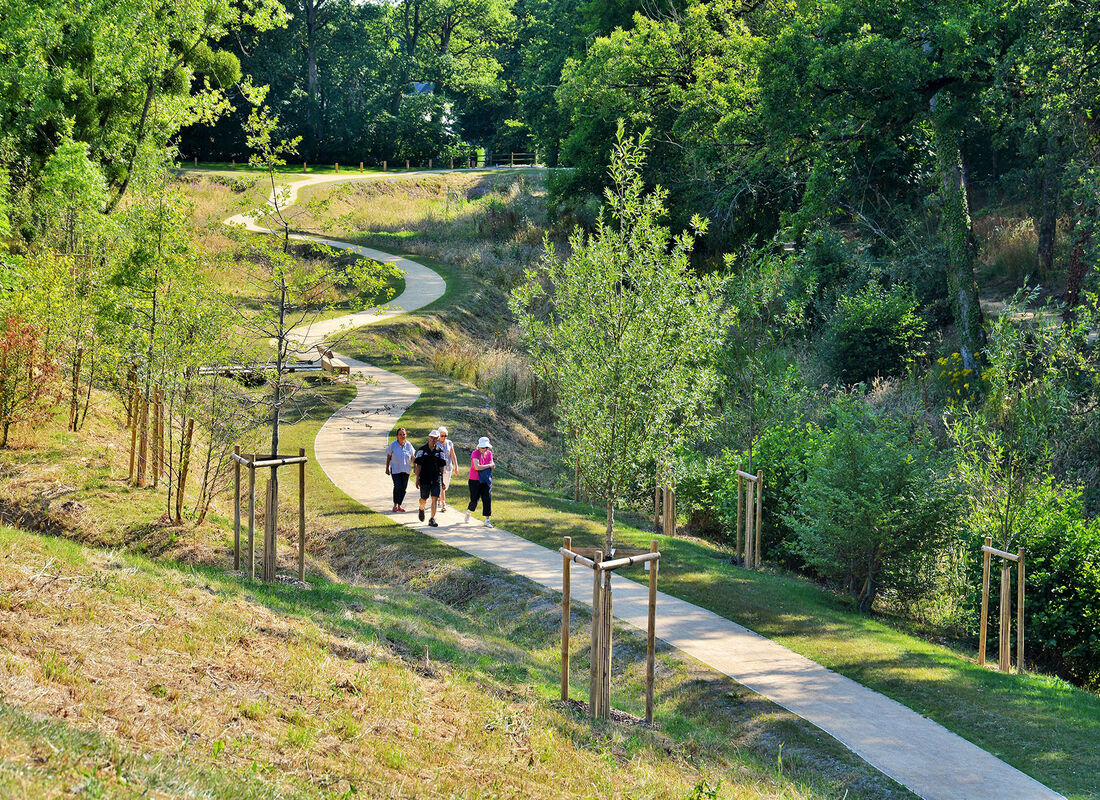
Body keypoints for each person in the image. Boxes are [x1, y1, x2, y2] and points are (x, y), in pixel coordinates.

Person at [414, 429, 447, 527]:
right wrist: (417, 479)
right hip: (424, 478)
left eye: (435, 438)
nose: (433, 439)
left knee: (435, 499)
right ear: (429, 437)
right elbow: (418, 465)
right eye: (432, 437)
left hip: (436, 478)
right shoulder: (422, 450)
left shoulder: (440, 452)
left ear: (437, 439)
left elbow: (442, 467)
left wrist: (442, 481)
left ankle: (432, 519)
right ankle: (421, 508)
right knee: (424, 499)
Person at [464, 436, 495, 527]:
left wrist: (489, 465)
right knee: (474, 500)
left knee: (487, 499)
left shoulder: (489, 454)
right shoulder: (475, 453)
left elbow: (493, 465)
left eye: (486, 447)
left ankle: (487, 520)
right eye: (483, 447)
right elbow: (476, 467)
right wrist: (488, 465)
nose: (484, 449)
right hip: (474, 480)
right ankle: (469, 512)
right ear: (479, 447)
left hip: (485, 480)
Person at [384, 427, 415, 512]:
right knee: (397, 486)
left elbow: (412, 457)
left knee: (403, 488)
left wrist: (415, 467)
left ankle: (399, 505)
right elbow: (389, 457)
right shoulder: (393, 445)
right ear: (397, 436)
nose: (402, 436)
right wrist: (387, 468)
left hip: (406, 469)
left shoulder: (409, 445)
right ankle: (395, 505)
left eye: (404, 434)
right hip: (396, 469)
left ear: (406, 435)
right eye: (400, 434)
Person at [438, 426, 459, 511]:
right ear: (439, 435)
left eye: (445, 436)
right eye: (442, 436)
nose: (444, 437)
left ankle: (439, 498)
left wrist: (456, 467)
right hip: (439, 468)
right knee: (442, 486)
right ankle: (443, 504)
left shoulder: (449, 443)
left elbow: (453, 455)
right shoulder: (436, 443)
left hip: (448, 467)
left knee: (445, 486)